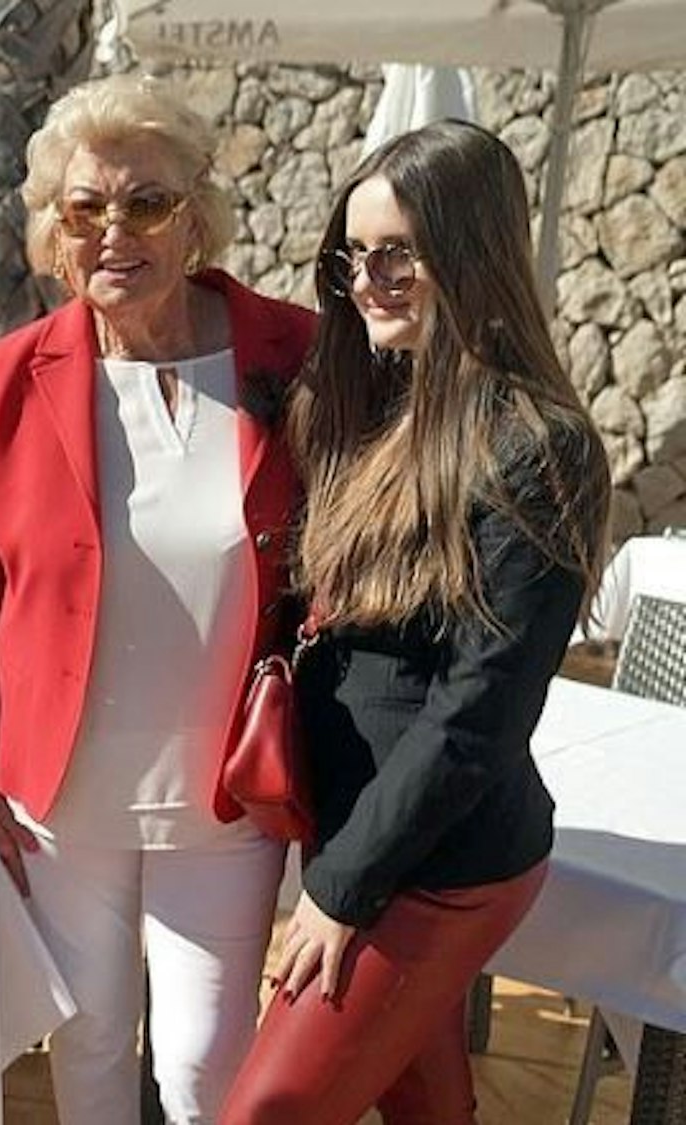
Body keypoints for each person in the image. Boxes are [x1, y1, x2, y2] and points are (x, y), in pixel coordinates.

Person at [0, 73, 315, 1125]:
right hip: (61, 801)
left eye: (144, 203)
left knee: (201, 1075)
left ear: (194, 219)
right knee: (88, 1054)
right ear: (53, 232)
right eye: (82, 209)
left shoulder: (295, 358)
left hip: (226, 795)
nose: (112, 232)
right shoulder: (2, 378)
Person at [220, 120, 610, 1123]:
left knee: (269, 1109)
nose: (364, 279)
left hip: (439, 862)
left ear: (470, 251)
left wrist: (339, 887)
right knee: (424, 1105)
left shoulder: (538, 446)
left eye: (395, 252)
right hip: (356, 831)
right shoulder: (368, 410)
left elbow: (478, 712)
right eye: (350, 255)